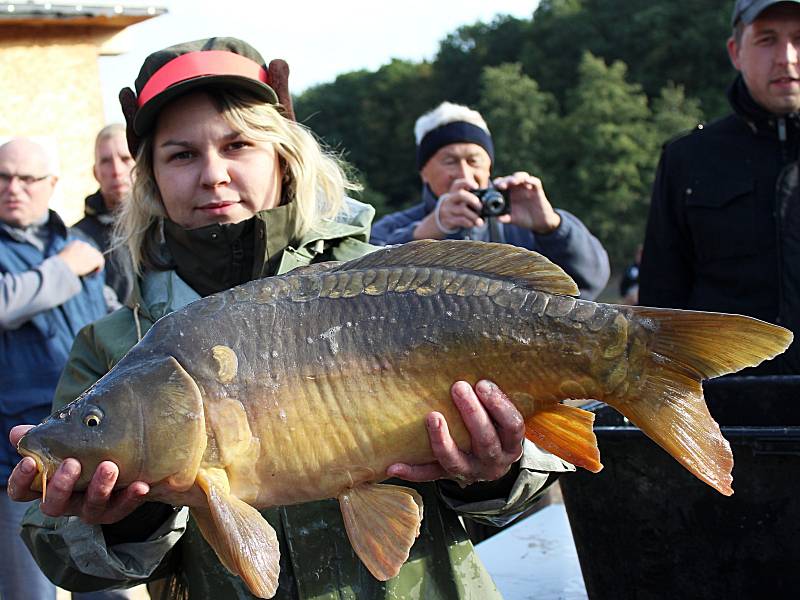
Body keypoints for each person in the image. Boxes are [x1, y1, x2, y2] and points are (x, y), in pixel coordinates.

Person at [6, 38, 573, 599]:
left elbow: (527, 488)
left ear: (284, 155)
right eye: (181, 154)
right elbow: (57, 550)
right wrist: (126, 519)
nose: (214, 174)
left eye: (238, 145)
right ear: (149, 177)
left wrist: (496, 470)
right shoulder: (112, 346)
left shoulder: (384, 286)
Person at [639, 0, 800, 374]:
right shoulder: (687, 159)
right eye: (767, 40)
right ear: (735, 51)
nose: (786, 58)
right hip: (723, 416)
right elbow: (658, 314)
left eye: (798, 39)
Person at [0, 137, 108, 600]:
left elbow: (106, 329)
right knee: (30, 593)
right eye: (3, 177)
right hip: (16, 457)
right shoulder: (73, 256)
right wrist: (65, 270)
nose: (13, 188)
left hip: (90, 450)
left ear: (52, 185)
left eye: (27, 179)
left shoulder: (77, 243)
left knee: (105, 583)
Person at [370, 101, 610, 300]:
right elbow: (355, 282)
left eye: (474, 161)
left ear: (490, 167)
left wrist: (552, 228)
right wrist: (424, 233)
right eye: (450, 161)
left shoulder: (523, 223)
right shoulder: (397, 226)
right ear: (424, 172)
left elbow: (591, 281)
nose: (464, 174)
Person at [74, 124, 135, 307]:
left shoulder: (170, 223)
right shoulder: (78, 240)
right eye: (106, 161)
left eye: (125, 158)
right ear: (96, 173)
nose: (116, 170)